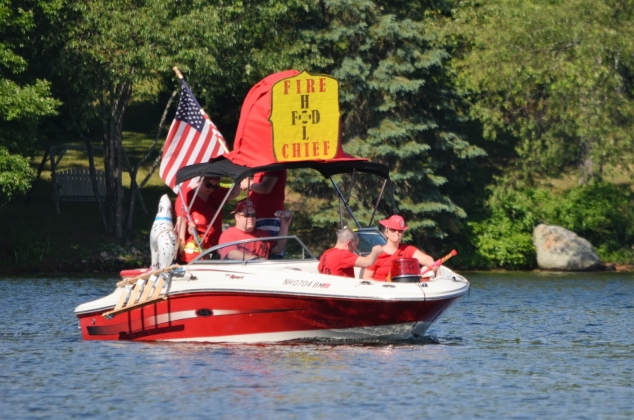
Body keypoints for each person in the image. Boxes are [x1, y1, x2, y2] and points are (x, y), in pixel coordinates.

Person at [175, 177, 240, 252]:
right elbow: (181, 220)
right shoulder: (186, 195)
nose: (211, 189)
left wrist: (238, 177)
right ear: (200, 180)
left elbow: (234, 193)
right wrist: (181, 243)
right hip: (193, 246)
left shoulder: (216, 193)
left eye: (215, 187)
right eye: (208, 185)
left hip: (214, 244)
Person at [362, 215, 435, 281]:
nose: (397, 233)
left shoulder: (408, 250)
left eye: (400, 231)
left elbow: (426, 259)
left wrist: (431, 263)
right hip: (382, 293)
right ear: (386, 233)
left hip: (402, 292)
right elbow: (366, 277)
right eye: (393, 230)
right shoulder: (376, 253)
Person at [218, 199, 292, 260]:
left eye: (253, 215)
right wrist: (256, 259)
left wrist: (284, 225)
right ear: (237, 217)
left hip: (261, 273)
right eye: (247, 215)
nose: (250, 218)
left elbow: (278, 248)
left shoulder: (263, 235)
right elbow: (231, 254)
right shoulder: (229, 234)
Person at [318, 228, 384, 278]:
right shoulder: (342, 255)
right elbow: (368, 262)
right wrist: (375, 251)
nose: (355, 248)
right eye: (355, 245)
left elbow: (319, 269)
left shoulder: (326, 254)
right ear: (349, 243)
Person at [240, 170, 287, 236]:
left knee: (267, 245)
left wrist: (248, 183)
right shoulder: (261, 167)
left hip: (268, 217)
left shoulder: (274, 165)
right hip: (256, 216)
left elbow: (265, 188)